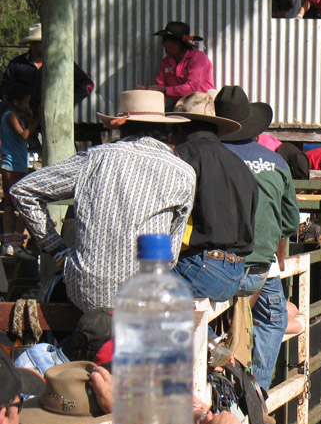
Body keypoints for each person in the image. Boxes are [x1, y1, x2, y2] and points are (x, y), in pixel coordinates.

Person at [11, 90, 196, 313]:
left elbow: (23, 191)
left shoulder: (94, 158)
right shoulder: (183, 172)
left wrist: (57, 250)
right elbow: (171, 255)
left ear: (121, 125)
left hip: (86, 293)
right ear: (166, 129)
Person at [214, 85, 300, 391]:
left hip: (216, 267)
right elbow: (289, 222)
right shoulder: (275, 162)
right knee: (274, 319)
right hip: (259, 268)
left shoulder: (212, 159)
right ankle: (257, 388)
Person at [171, 91, 258, 303]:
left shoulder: (181, 157)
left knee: (132, 282)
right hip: (236, 271)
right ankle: (208, 336)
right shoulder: (240, 165)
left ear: (180, 125)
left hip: (200, 267)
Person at [0, 23, 93, 114]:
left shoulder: (62, 63)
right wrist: (19, 107)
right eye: (44, 42)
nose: (49, 45)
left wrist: (67, 102)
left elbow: (87, 83)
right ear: (32, 44)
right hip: (23, 121)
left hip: (54, 118)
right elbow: (5, 89)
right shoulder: (16, 64)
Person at [1, 83, 39, 261]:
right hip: (13, 166)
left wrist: (30, 117)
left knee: (9, 205)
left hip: (15, 165)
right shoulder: (10, 116)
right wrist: (37, 118)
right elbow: (24, 135)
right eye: (25, 103)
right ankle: (16, 243)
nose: (27, 106)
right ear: (15, 102)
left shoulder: (15, 116)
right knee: (24, 205)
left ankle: (9, 243)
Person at [138, 21, 215, 107]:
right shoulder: (166, 62)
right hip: (179, 106)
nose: (162, 44)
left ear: (177, 43)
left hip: (201, 106)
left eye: (165, 40)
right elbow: (160, 86)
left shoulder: (198, 58)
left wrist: (165, 90)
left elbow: (192, 89)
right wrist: (146, 90)